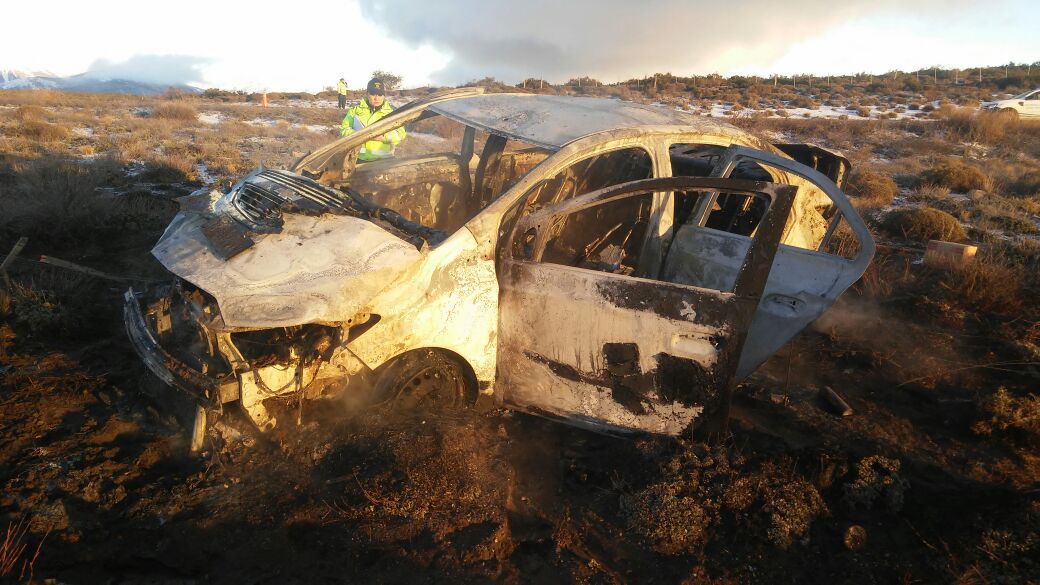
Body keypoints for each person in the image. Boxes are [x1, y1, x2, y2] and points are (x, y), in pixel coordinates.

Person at [339, 77, 406, 161]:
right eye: (373, 94)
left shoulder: (392, 112)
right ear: (367, 94)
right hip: (359, 159)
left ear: (384, 96)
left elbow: (401, 135)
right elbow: (343, 130)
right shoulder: (354, 110)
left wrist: (383, 137)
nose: (376, 98)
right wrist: (359, 135)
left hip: (385, 160)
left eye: (380, 95)